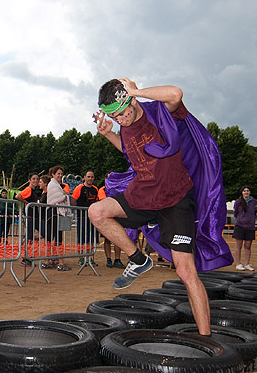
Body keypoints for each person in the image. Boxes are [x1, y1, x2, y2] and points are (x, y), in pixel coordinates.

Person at [90, 78, 232, 336]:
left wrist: (136, 91)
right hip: (143, 196)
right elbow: (130, 151)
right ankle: (138, 259)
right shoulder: (123, 126)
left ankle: (206, 338)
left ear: (132, 100)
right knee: (96, 212)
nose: (121, 120)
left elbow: (175, 93)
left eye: (123, 113)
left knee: (186, 272)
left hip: (175, 200)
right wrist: (108, 133)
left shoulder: (160, 113)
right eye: (116, 117)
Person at [45, 166, 71, 271]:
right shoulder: (53, 185)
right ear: (53, 174)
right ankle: (59, 262)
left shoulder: (56, 185)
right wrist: (64, 196)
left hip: (55, 213)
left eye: (61, 174)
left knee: (54, 238)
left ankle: (50, 260)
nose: (60, 175)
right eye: (58, 174)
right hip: (54, 213)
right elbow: (59, 197)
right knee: (56, 238)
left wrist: (64, 195)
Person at [71, 170, 99, 266]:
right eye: (88, 177)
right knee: (81, 238)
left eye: (92, 177)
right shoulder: (79, 188)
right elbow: (73, 201)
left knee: (91, 238)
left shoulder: (95, 189)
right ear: (84, 177)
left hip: (92, 218)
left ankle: (89, 257)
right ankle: (81, 258)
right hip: (82, 217)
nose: (90, 179)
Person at [98, 181, 124, 268]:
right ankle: (108, 259)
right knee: (107, 239)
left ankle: (117, 259)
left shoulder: (118, 188)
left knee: (118, 238)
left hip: (117, 216)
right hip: (106, 217)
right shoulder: (102, 189)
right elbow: (104, 201)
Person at [232, 186, 257, 271]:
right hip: (240, 226)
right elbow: (235, 213)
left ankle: (247, 263)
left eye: (248, 191)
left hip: (250, 226)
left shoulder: (254, 202)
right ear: (242, 192)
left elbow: (255, 212)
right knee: (238, 245)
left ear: (250, 192)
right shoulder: (238, 202)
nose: (246, 192)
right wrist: (241, 219)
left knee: (248, 246)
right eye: (244, 191)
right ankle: (238, 263)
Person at [15, 173, 42, 242]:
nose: (36, 181)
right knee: (30, 233)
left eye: (37, 179)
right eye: (33, 179)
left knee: (36, 232)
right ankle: (27, 247)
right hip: (29, 215)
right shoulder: (28, 189)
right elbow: (18, 196)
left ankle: (27, 244)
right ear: (29, 180)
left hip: (33, 215)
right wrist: (25, 201)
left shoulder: (33, 190)